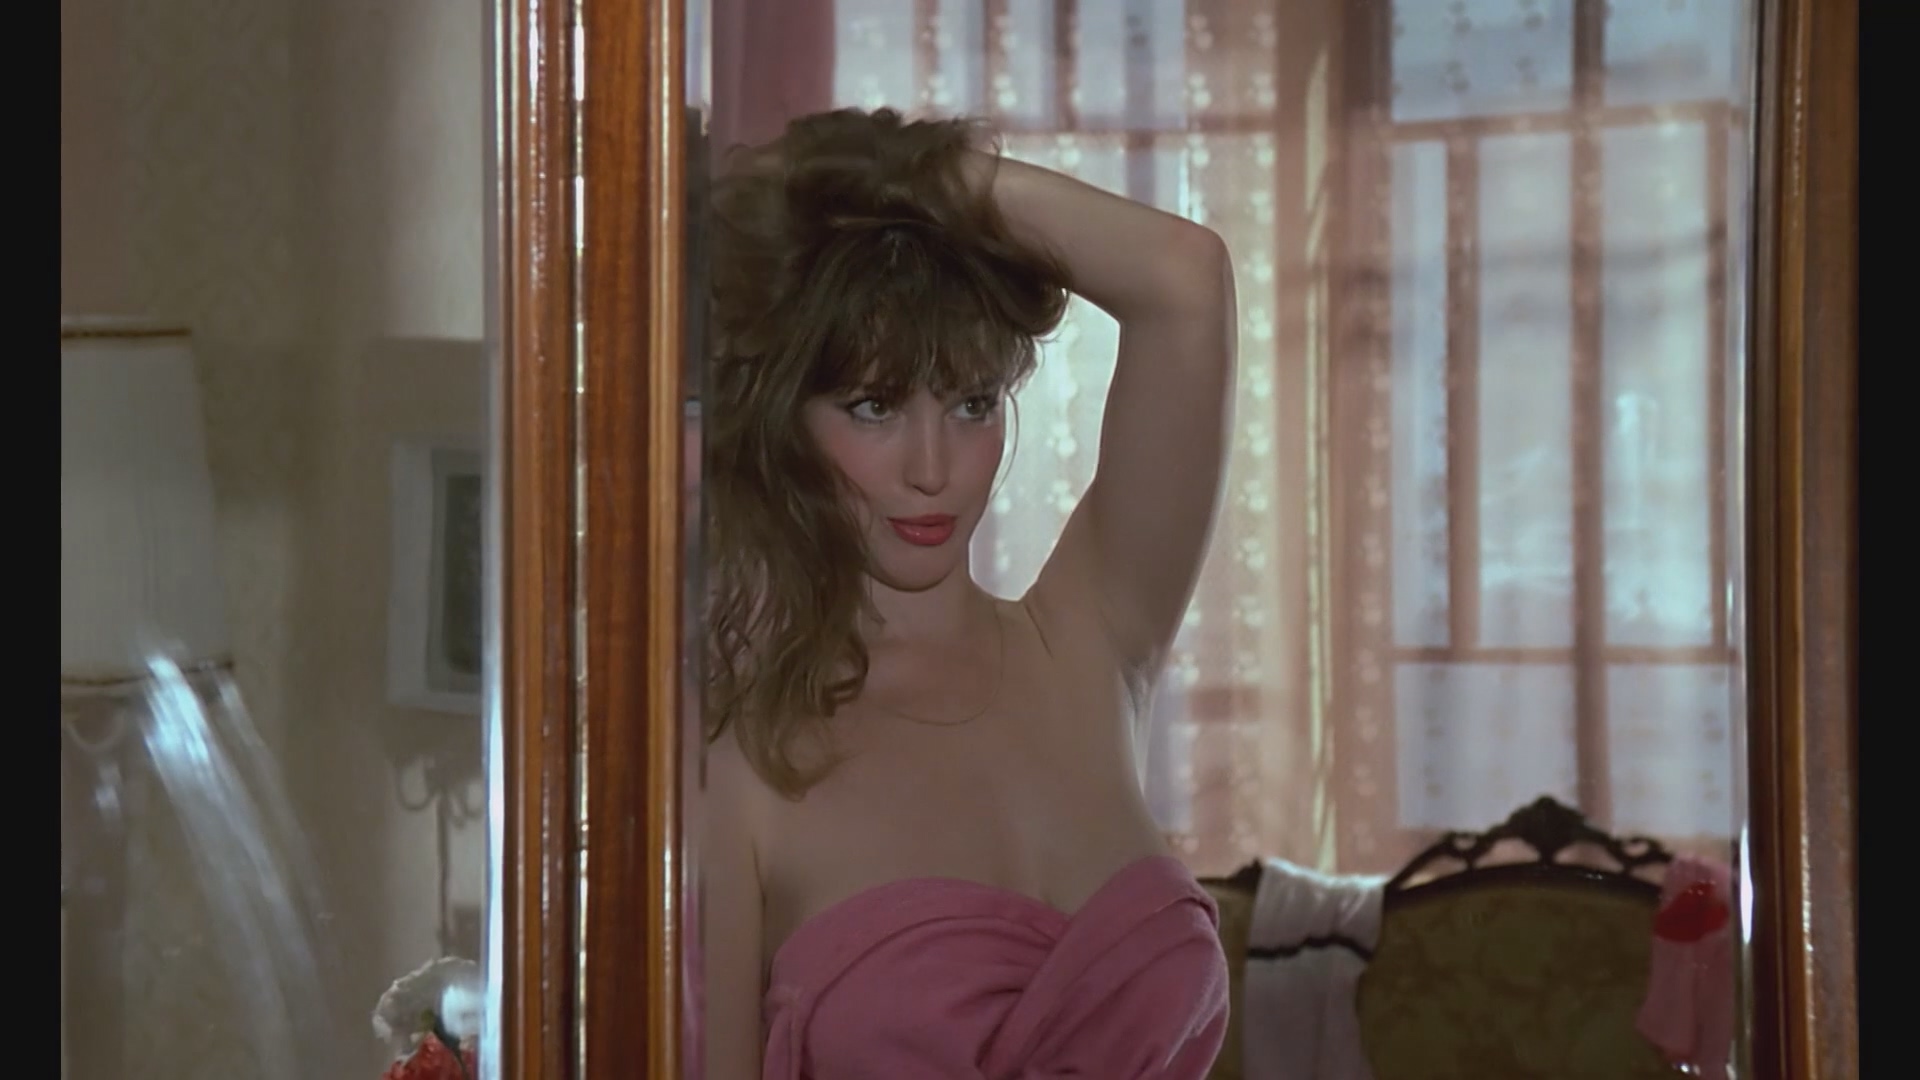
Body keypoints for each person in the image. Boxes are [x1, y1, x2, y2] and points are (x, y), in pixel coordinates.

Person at [702, 106, 1238, 1079]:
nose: (934, 468)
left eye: (972, 403)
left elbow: (1184, 276)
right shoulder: (741, 761)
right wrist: (819, 198)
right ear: (784, 420)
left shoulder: (1090, 642)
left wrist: (879, 177)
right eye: (874, 406)